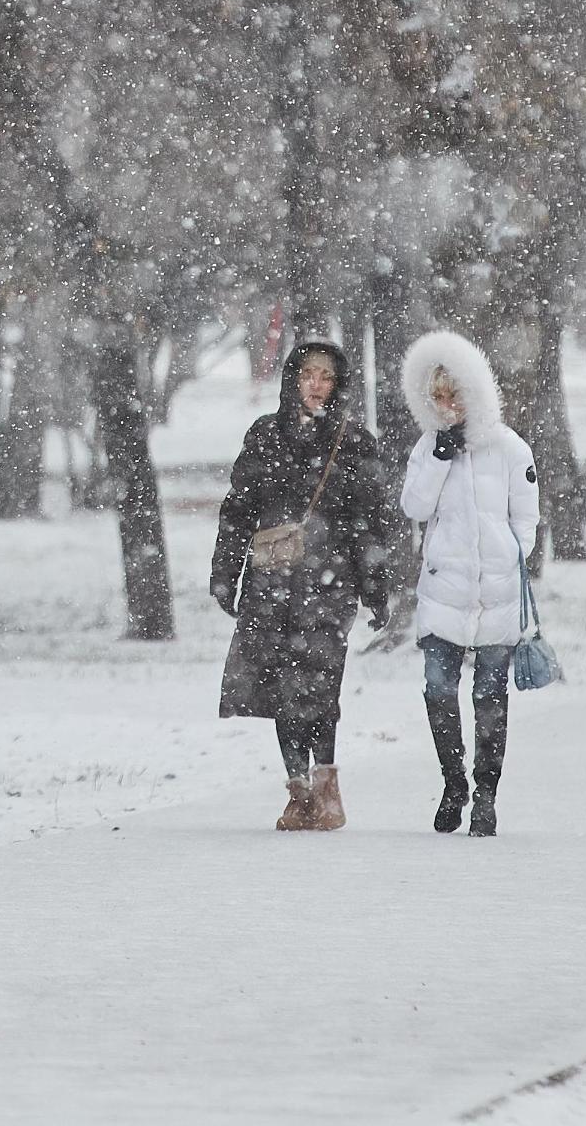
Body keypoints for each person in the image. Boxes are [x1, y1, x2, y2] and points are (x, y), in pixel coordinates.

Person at [212, 341, 397, 832]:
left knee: (318, 681)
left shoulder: (354, 443)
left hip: (329, 584)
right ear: (292, 379)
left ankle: (326, 784)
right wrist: (224, 574)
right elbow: (238, 511)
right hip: (271, 579)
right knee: (277, 683)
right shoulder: (266, 436)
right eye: (307, 374)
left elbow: (370, 521)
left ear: (338, 386)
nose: (315, 385)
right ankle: (296, 790)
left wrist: (377, 588)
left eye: (326, 377)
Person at [399, 329, 539, 838]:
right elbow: (413, 508)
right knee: (439, 690)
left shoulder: (509, 448)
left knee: (490, 698)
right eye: (436, 397)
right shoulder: (427, 448)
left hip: (496, 596)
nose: (447, 405)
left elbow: (527, 518)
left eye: (454, 393)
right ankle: (452, 781)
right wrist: (439, 456)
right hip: (443, 593)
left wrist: (507, 555)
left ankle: (486, 793)